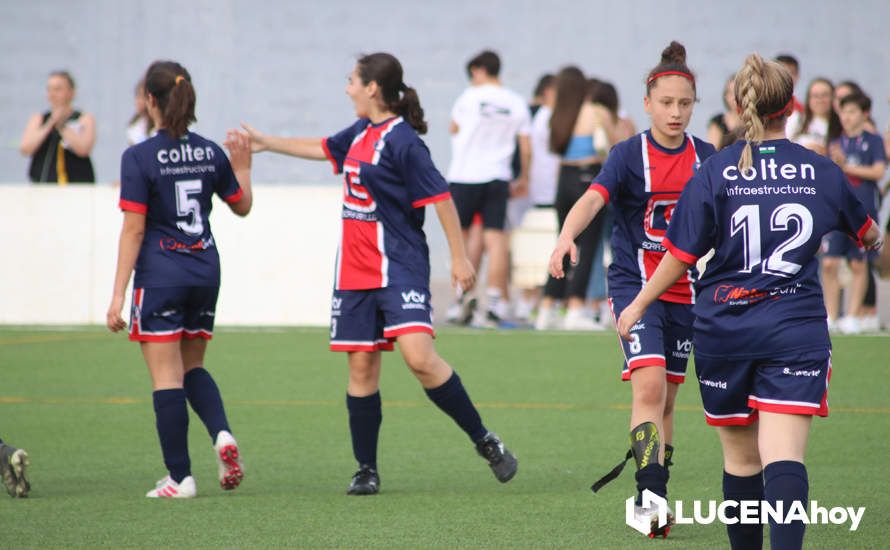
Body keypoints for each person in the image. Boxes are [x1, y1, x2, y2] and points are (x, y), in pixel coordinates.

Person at [616, 53, 882, 550]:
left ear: (740, 105)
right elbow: (871, 239)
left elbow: (678, 257)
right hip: (794, 331)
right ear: (794, 106)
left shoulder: (715, 170)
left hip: (724, 332)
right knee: (784, 459)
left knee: (741, 463)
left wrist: (636, 305)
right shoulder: (823, 171)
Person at [240, 52, 517, 495]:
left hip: (399, 266)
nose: (347, 87)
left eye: (351, 80)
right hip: (353, 271)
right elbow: (324, 147)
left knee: (419, 359)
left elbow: (440, 198)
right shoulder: (360, 131)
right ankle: (365, 469)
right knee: (362, 368)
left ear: (372, 88)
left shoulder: (403, 141)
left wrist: (460, 257)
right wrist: (267, 143)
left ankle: (484, 439)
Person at [548, 41, 715, 537]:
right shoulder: (627, 155)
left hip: (685, 292)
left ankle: (653, 486)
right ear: (647, 103)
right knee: (649, 386)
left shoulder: (705, 159)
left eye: (685, 104)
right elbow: (593, 199)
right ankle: (651, 497)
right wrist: (564, 237)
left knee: (666, 403)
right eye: (666, 103)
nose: (676, 112)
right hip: (632, 287)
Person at [106, 61, 253, 498]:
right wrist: (243, 167)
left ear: (150, 100)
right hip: (205, 271)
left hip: (162, 274)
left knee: (166, 378)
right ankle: (222, 434)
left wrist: (117, 294)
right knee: (193, 367)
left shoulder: (138, 157)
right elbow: (241, 206)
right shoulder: (211, 151)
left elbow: (134, 228)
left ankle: (180, 477)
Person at [446, 50, 532, 328]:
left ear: (479, 70)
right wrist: (524, 178)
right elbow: (525, 145)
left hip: (464, 175)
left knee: (461, 238)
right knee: (496, 239)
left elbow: (453, 127)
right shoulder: (516, 102)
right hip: (497, 175)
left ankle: (461, 296)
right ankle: (495, 300)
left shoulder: (468, 97)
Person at [537, 67, 615, 331]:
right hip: (588, 177)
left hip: (564, 180)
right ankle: (575, 307)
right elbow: (615, 146)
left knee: (563, 241)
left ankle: (547, 307)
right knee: (587, 246)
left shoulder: (559, 114)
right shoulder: (595, 111)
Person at [823, 92, 887, 334]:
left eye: (852, 112)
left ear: (864, 114)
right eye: (844, 112)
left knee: (859, 264)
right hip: (835, 212)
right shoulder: (835, 141)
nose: (847, 117)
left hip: (864, 212)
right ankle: (830, 314)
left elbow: (878, 172)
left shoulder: (873, 141)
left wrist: (845, 166)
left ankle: (852, 315)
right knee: (829, 263)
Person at [511, 74, 560, 322]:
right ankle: (530, 299)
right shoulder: (545, 116)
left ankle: (531, 299)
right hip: (542, 191)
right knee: (539, 247)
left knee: (537, 246)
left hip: (540, 191)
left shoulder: (537, 116)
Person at [19, 70, 96, 184]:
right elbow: (25, 148)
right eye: (49, 89)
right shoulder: (39, 119)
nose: (52, 94)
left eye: (58, 89)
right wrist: (50, 123)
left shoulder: (84, 118)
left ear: (71, 92)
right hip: (43, 183)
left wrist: (61, 126)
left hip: (76, 184)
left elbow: (83, 149)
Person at [791, 78, 841, 155]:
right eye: (815, 96)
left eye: (825, 95)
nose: (820, 100)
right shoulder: (797, 120)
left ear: (833, 98)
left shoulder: (842, 124)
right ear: (808, 99)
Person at [707, 75, 742, 150]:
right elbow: (712, 153)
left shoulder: (754, 121)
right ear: (725, 96)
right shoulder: (718, 122)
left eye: (737, 92)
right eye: (730, 93)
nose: (734, 98)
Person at [774, 54, 804, 138]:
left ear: (798, 76)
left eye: (792, 73)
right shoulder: (761, 106)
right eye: (783, 73)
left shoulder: (804, 111)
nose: (787, 77)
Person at [126, 78, 155, 145]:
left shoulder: (156, 128)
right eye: (137, 96)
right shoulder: (135, 125)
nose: (137, 101)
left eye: (141, 97)